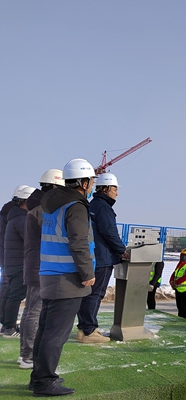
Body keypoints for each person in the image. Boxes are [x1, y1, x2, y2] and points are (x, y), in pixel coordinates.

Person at [31, 158, 97, 396]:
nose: (92, 185)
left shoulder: (52, 203)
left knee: (46, 330)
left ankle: (38, 378)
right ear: (83, 183)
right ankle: (45, 381)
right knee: (56, 334)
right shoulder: (76, 207)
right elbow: (78, 243)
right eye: (91, 181)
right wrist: (87, 273)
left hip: (50, 274)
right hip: (67, 278)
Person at [18, 170, 63, 368]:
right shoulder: (42, 210)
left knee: (30, 310)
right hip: (40, 265)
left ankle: (25, 354)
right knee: (35, 311)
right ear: (53, 187)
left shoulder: (36, 206)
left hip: (34, 263)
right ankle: (28, 356)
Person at [76, 172, 128, 344]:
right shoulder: (104, 208)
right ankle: (89, 330)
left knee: (88, 294)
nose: (117, 193)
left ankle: (84, 328)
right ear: (105, 189)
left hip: (93, 255)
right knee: (95, 294)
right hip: (103, 257)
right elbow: (109, 232)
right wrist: (122, 250)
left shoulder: (93, 204)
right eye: (115, 189)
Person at [2, 185, 35, 338]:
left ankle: (6, 325)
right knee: (16, 295)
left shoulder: (14, 217)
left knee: (11, 294)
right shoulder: (22, 219)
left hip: (12, 263)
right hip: (20, 263)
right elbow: (30, 240)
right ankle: (9, 327)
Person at [170, 248, 186, 319]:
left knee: (184, 306)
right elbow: (175, 273)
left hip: (185, 289)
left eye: (185, 255)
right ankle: (180, 318)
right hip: (178, 288)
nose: (183, 256)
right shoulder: (180, 264)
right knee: (179, 305)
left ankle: (185, 319)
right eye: (182, 255)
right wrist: (171, 281)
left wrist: (176, 282)